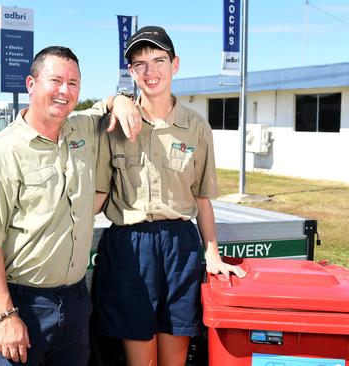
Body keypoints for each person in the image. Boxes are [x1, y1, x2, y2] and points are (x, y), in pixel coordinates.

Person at [0, 46, 141, 366]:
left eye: (73, 83)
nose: (64, 91)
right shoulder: (2, 151)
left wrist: (122, 98)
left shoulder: (81, 128)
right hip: (21, 303)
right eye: (55, 80)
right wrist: (5, 316)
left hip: (74, 302)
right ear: (31, 84)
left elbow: (106, 106)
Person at [94, 26, 247, 365]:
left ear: (175, 64)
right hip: (130, 248)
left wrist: (213, 255)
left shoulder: (196, 127)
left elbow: (203, 198)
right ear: (131, 72)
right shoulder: (113, 124)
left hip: (179, 245)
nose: (151, 72)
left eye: (159, 60)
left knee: (174, 357)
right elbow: (100, 195)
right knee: (141, 359)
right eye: (140, 64)